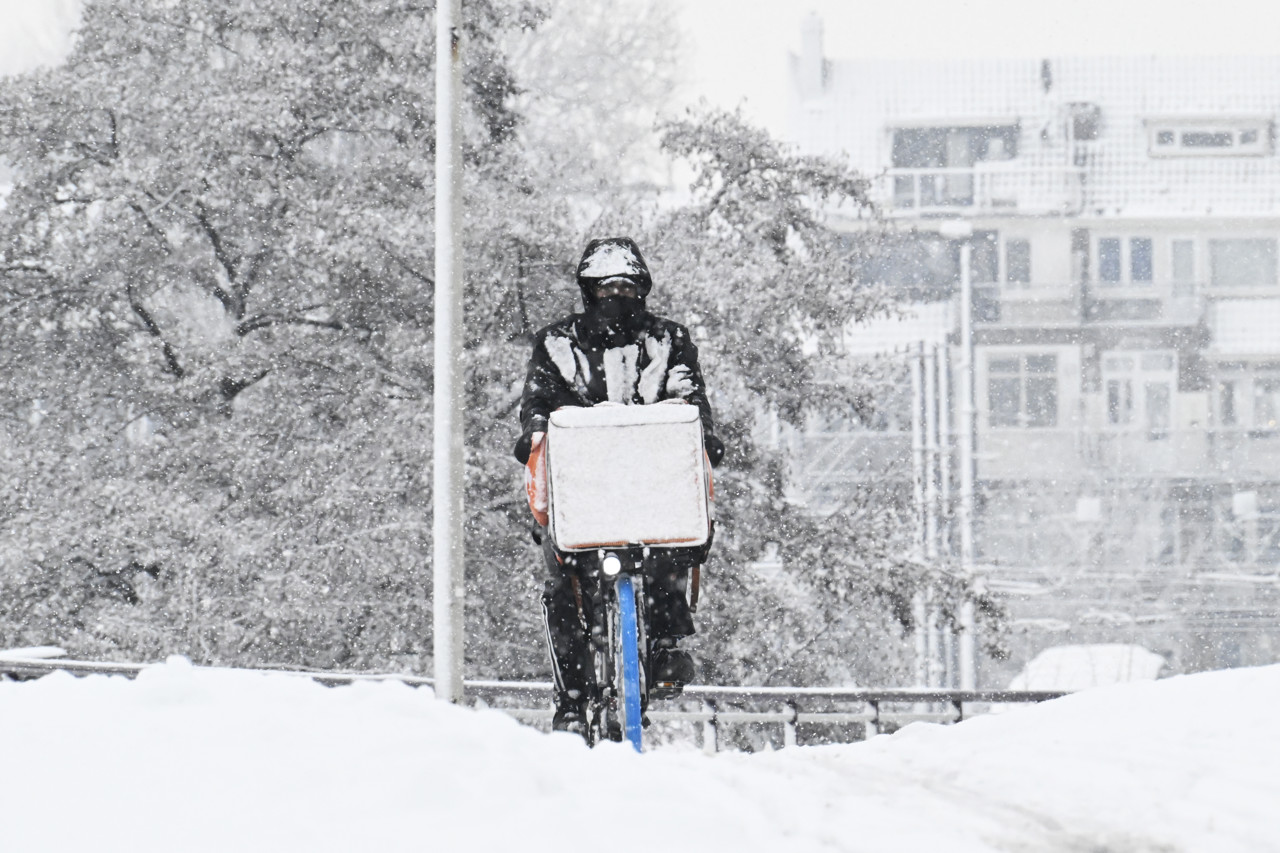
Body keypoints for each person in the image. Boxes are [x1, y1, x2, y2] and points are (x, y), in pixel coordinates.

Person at [514, 236, 725, 736]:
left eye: (627, 286)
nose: (617, 295)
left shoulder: (668, 341)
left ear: (644, 289)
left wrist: (704, 435)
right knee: (560, 588)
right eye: (606, 287)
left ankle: (667, 641)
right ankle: (569, 699)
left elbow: (689, 395)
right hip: (580, 497)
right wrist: (534, 432)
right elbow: (538, 401)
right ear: (588, 291)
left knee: (675, 554)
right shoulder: (556, 343)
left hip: (654, 494)